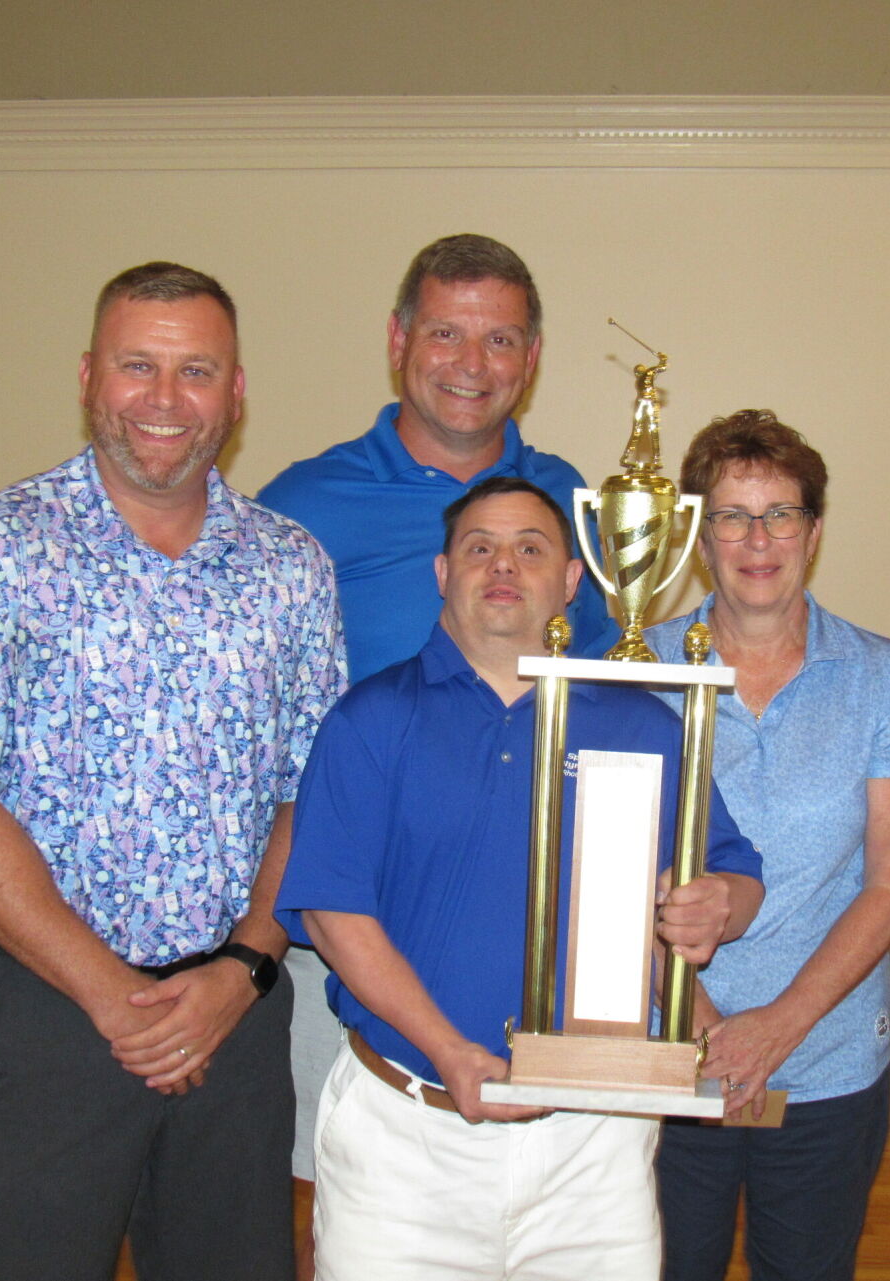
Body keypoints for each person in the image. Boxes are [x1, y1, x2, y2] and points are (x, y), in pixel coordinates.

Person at [0, 262, 345, 1280]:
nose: (165, 400)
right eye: (138, 366)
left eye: (196, 370)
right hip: (48, 1018)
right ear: (89, 377)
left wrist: (242, 969)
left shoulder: (290, 567)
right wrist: (113, 999)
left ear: (236, 389)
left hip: (237, 1018)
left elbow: (312, 795)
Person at [275, 476, 764, 1281]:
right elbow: (332, 915)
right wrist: (451, 1051)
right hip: (407, 1132)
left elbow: (735, 874)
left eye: (530, 549)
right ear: (442, 573)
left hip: (594, 1148)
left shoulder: (640, 720)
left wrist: (720, 904)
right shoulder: (368, 720)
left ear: (573, 580)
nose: (503, 565)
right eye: (479, 547)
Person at [255, 232, 616, 1232]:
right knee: (343, 1196)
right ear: (398, 340)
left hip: (511, 921)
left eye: (499, 339)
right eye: (447, 333)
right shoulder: (302, 505)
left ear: (531, 359)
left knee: (530, 1201)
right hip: (345, 925)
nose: (471, 363)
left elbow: (597, 700)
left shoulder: (567, 500)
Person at [644, 410, 890, 1281]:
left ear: (814, 530)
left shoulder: (879, 674)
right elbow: (611, 871)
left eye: (780, 513)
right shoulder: (640, 668)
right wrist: (708, 1031)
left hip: (828, 1063)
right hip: (668, 1058)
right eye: (732, 514)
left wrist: (777, 1028)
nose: (757, 538)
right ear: (701, 534)